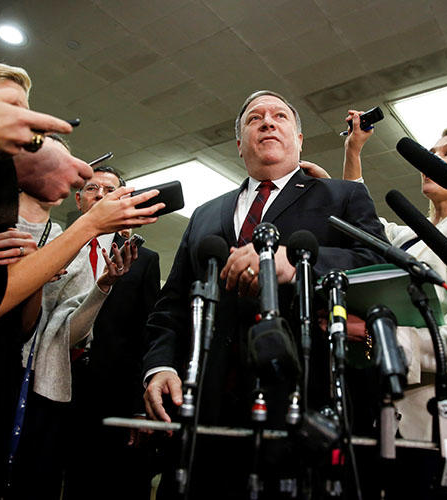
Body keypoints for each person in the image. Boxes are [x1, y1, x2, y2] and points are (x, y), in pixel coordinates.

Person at [0, 53, 162, 497]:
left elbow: (22, 323)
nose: (22, 129)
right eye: (8, 110)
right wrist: (89, 226)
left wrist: (36, 271)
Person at [142, 90, 386, 497]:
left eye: (279, 116)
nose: (268, 122)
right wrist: (160, 365)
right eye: (255, 118)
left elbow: (378, 266)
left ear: (299, 138)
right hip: (206, 415)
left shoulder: (342, 196)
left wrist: (299, 265)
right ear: (240, 144)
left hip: (300, 410)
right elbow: (171, 304)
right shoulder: (205, 213)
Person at [341, 112, 447, 447]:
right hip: (406, 425)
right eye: (432, 153)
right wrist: (353, 152)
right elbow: (363, 224)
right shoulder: (415, 236)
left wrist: (373, 334)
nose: (433, 159)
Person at [63, 166, 162, 500]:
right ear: (79, 199)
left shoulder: (144, 259)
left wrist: (139, 405)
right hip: (57, 384)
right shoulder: (57, 248)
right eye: (92, 189)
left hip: (113, 392)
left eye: (110, 190)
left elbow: (146, 333)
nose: (101, 195)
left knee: (111, 483)